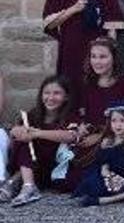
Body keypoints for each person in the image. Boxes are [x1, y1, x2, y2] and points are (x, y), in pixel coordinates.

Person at [43, 0, 124, 96]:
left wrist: (110, 57)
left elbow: (112, 30)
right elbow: (50, 24)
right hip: (70, 53)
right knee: (69, 93)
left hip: (97, 55)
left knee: (95, 93)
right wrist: (73, 9)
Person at [0, 76, 79, 206]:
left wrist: (37, 134)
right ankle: (27, 185)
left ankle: (19, 183)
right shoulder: (33, 115)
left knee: (32, 139)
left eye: (57, 93)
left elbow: (71, 136)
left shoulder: (70, 117)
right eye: (46, 93)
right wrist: (18, 131)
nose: (51, 98)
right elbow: (14, 131)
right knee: (23, 140)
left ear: (66, 97)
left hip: (51, 168)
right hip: (30, 166)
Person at [74, 38, 124, 182]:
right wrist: (81, 126)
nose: (97, 62)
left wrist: (101, 137)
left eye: (103, 57)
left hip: (119, 138)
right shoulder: (88, 83)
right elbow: (81, 111)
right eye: (93, 56)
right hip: (92, 136)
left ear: (113, 58)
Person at [72, 102, 124, 207]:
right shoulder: (107, 141)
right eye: (114, 121)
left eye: (122, 121)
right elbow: (104, 167)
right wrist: (111, 177)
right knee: (93, 183)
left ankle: (105, 200)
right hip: (109, 178)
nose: (117, 125)